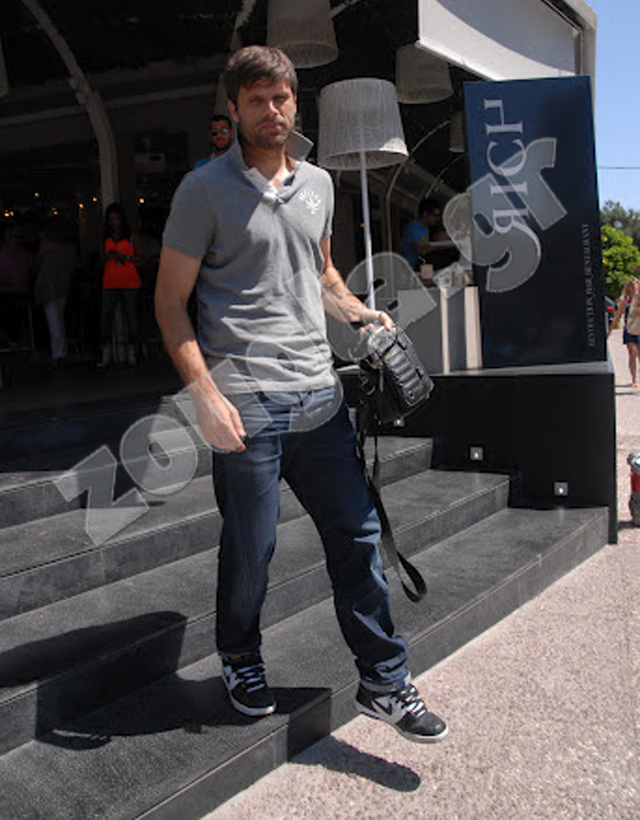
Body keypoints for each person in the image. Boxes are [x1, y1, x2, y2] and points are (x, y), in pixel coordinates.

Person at [155, 45, 447, 743]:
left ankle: (384, 679)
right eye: (257, 99)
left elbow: (319, 271)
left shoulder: (318, 183)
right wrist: (202, 393)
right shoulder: (202, 190)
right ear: (234, 108)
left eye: (282, 97)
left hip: (321, 397)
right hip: (246, 404)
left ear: (296, 102)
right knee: (250, 550)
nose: (272, 110)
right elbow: (169, 302)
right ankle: (240, 655)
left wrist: (356, 309)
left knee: (358, 536)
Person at [98, 203, 141, 368]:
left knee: (131, 316)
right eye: (111, 219)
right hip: (110, 281)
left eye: (117, 219)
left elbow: (141, 257)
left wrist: (126, 258)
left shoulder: (131, 236)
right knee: (106, 316)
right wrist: (108, 256)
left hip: (129, 280)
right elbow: (100, 258)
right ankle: (106, 351)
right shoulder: (105, 237)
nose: (114, 222)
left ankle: (132, 352)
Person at [34, 219, 79, 367]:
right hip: (63, 284)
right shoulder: (69, 247)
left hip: (49, 285)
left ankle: (58, 354)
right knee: (58, 318)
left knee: (54, 319)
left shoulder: (47, 246)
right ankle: (61, 351)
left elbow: (37, 263)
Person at [610, 277, 640, 387]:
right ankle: (634, 379)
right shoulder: (625, 300)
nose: (634, 287)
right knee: (632, 352)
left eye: (636, 285)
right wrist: (610, 330)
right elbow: (618, 315)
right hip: (629, 328)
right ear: (628, 287)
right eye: (632, 286)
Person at [400, 198, 442, 271]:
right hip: (410, 267)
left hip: (421, 265)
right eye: (434, 215)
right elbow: (421, 250)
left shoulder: (425, 228)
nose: (437, 219)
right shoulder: (413, 227)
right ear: (425, 214)